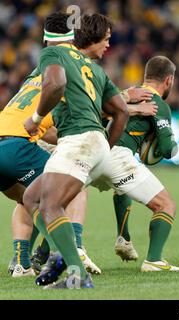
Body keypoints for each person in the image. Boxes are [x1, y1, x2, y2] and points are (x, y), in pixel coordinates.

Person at [22, 12, 129, 289]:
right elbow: (122, 111)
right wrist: (106, 145)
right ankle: (61, 254)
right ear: (72, 36)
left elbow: (55, 84)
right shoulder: (93, 67)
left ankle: (77, 273)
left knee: (50, 205)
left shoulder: (52, 53)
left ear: (47, 37)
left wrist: (35, 120)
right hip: (95, 141)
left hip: (77, 140)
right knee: (32, 197)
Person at [0, 13, 103, 277]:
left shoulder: (32, 79)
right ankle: (72, 250)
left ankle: (22, 263)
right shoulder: (62, 81)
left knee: (27, 200)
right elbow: (48, 130)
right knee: (75, 184)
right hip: (17, 145)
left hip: (4, 142)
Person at [91, 55, 179, 272]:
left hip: (95, 150)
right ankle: (154, 260)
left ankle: (37, 257)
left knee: (59, 200)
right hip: (118, 157)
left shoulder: (123, 94)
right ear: (169, 80)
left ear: (145, 76)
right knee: (166, 205)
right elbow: (168, 150)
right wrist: (173, 144)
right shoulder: (158, 104)